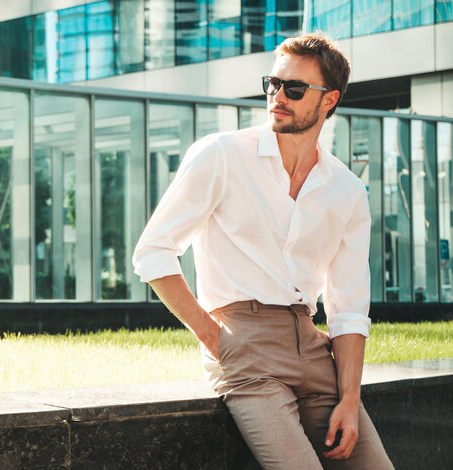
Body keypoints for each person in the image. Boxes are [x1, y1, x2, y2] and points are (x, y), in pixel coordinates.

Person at [132, 33, 393, 469]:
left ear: (328, 101)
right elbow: (153, 251)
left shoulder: (346, 188)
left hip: (313, 348)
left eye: (294, 89)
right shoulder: (222, 155)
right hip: (243, 341)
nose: (278, 97)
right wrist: (216, 338)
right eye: (273, 84)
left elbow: (348, 306)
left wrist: (350, 399)